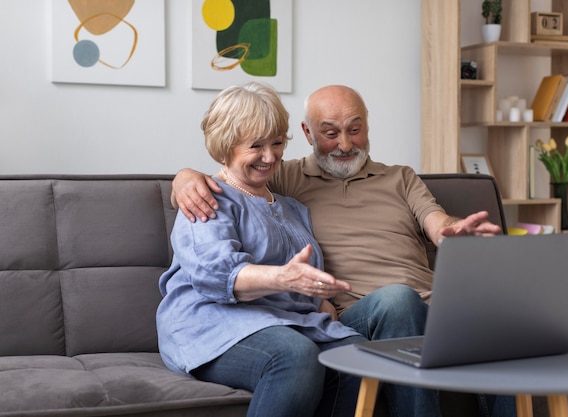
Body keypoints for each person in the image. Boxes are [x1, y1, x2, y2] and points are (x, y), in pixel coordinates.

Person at [172, 85, 513, 417]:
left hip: (409, 306)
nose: (345, 144)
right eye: (331, 133)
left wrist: (448, 231)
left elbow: (436, 220)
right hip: (350, 310)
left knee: (502, 320)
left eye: (355, 129)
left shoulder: (300, 205)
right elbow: (230, 186)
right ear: (307, 133)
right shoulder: (274, 180)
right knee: (388, 306)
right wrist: (184, 178)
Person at [156, 82, 367, 417]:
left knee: (355, 353)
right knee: (294, 355)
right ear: (225, 147)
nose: (270, 157)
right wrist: (283, 279)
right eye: (256, 146)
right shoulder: (208, 197)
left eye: (277, 143)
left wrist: (319, 298)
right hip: (210, 324)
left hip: (278, 320)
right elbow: (215, 273)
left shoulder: (292, 208)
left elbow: (302, 274)